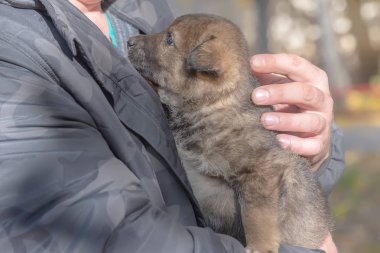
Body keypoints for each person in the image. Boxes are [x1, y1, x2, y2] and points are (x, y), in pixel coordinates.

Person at [0, 0, 344, 252]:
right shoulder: (12, 45)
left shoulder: (139, 8)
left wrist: (310, 143)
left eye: (167, 39)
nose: (155, 39)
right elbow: (111, 235)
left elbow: (253, 171)